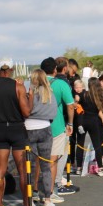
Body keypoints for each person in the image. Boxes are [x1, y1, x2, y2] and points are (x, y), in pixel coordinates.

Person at [0, 58, 32, 206]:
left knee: (0, 170)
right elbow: (26, 112)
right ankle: (26, 205)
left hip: (0, 128)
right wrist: (30, 97)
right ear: (12, 70)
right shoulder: (18, 86)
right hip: (17, 128)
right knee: (23, 170)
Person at [25, 69, 58, 206]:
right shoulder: (49, 93)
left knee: (30, 166)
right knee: (46, 166)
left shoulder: (29, 92)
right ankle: (47, 199)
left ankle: (30, 197)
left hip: (29, 128)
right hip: (45, 127)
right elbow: (54, 113)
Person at [44, 57, 75, 198]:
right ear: (55, 70)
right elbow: (70, 105)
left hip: (37, 125)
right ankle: (52, 190)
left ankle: (37, 190)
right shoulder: (61, 84)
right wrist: (70, 123)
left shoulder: (35, 83)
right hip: (56, 125)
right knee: (54, 159)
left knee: (39, 160)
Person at [76, 77, 103, 176]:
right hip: (94, 121)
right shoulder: (98, 95)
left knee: (80, 144)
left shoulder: (84, 94)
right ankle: (100, 167)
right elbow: (102, 108)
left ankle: (78, 167)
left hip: (83, 120)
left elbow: (77, 105)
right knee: (97, 144)